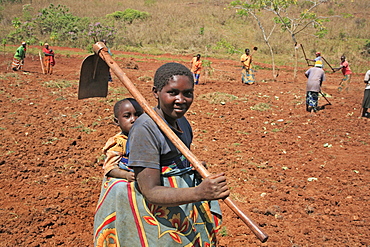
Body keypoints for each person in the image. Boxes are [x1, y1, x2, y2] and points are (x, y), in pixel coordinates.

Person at [94, 62, 229, 246]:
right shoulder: (145, 130)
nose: (181, 99)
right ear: (156, 92)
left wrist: (191, 169)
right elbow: (150, 191)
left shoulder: (182, 123)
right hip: (156, 210)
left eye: (187, 93)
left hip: (182, 199)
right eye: (173, 93)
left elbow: (179, 157)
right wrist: (199, 192)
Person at [94, 98, 143, 245]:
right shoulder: (119, 142)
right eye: (127, 116)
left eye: (138, 115)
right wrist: (127, 175)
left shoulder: (147, 137)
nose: (133, 120)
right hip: (123, 178)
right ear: (117, 121)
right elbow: (110, 169)